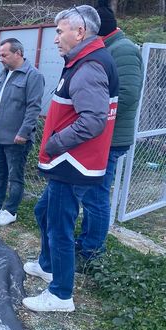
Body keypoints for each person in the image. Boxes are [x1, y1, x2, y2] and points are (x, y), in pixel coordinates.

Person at [22, 5, 119, 312]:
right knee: (44, 212)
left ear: (80, 32)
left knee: (59, 227)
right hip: (69, 160)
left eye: (60, 32)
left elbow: (93, 120)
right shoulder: (83, 60)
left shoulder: (89, 66)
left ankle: (61, 294)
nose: (55, 39)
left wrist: (55, 142)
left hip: (72, 162)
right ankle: (48, 264)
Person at [75, 0, 143, 267]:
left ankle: (92, 251)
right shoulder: (109, 48)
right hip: (101, 133)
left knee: (97, 194)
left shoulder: (123, 50)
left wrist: (91, 114)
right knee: (92, 192)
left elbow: (126, 95)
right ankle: (87, 241)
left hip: (110, 137)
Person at [0, 38, 44, 226]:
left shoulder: (32, 75)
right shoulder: (3, 74)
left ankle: (10, 211)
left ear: (18, 53)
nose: (1, 59)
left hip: (16, 138)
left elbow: (33, 108)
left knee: (15, 176)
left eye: (4, 55)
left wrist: (24, 132)